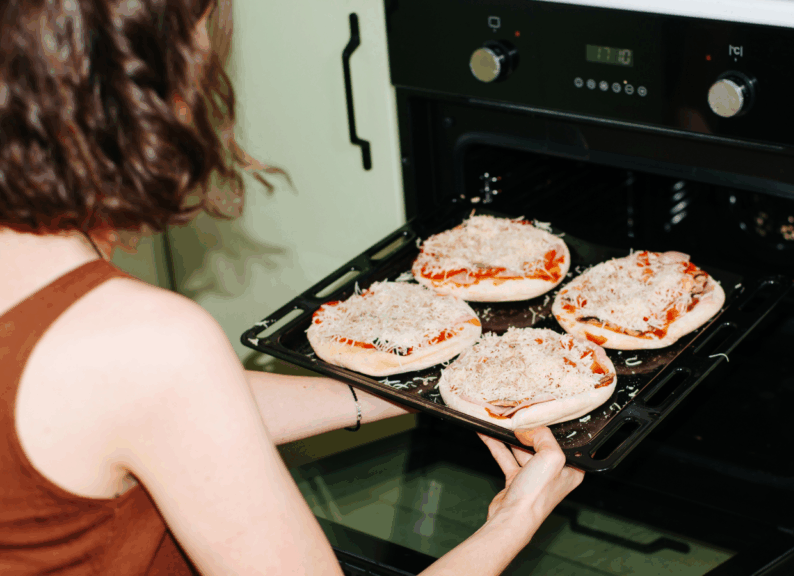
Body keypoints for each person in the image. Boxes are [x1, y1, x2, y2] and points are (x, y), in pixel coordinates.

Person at [0, 0, 584, 574]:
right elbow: (151, 382)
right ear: (135, 85)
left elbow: (154, 406)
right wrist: (517, 518)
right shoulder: (148, 342)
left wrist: (403, 387)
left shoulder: (114, 345)